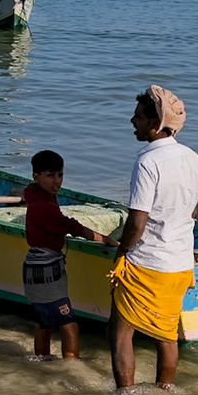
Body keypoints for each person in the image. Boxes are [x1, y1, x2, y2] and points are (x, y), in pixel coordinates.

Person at [108, 85, 198, 393]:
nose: (131, 121)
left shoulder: (148, 162)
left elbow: (137, 221)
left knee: (121, 332)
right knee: (167, 333)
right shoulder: (193, 158)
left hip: (147, 261)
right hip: (178, 263)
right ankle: (165, 390)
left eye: (138, 117)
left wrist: (122, 250)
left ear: (154, 124)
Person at [21, 150, 117, 360]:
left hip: (34, 268)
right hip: (46, 270)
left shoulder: (38, 197)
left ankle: (43, 364)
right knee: (69, 325)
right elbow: (71, 226)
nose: (57, 181)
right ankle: (70, 368)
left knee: (44, 324)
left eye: (60, 175)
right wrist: (105, 239)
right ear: (36, 177)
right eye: (51, 176)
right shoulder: (43, 206)